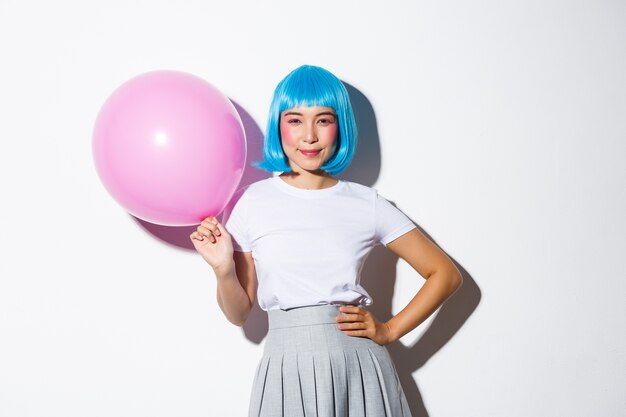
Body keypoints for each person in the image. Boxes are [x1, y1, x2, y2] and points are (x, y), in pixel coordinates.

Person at [190, 65, 463, 417]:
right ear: (278, 124)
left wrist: (390, 329)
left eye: (323, 120)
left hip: (358, 366)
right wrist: (224, 270)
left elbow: (445, 273)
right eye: (295, 120)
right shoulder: (250, 202)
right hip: (286, 369)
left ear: (339, 126)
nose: (309, 136)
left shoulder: (367, 204)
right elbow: (239, 314)